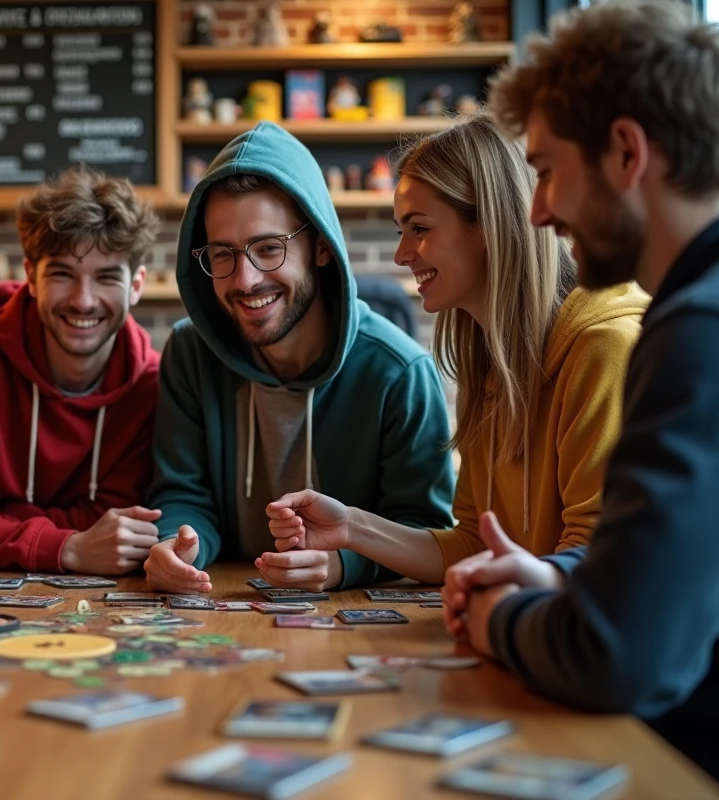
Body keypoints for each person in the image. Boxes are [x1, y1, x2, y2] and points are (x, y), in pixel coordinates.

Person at [439, 0, 719, 778]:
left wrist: (499, 617)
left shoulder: (694, 332)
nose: (536, 210)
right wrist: (563, 577)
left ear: (626, 152)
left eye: (546, 171)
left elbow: (615, 657)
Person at [264, 116, 647, 584]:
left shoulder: (606, 347)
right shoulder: (488, 360)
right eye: (401, 231)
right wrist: (351, 527)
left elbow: (598, 563)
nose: (401, 255)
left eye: (419, 228)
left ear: (491, 225)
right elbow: (471, 543)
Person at [143, 121, 455, 595]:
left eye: (269, 248)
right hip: (220, 599)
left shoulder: (400, 371)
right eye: (223, 254)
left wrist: (342, 565)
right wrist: (177, 545)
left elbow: (424, 527)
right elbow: (183, 493)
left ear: (322, 246)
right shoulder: (189, 353)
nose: (245, 280)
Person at [0, 166, 161, 574]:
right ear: (31, 277)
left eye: (106, 277)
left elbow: (119, 523)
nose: (83, 300)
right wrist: (68, 547)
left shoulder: (150, 383)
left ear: (136, 285)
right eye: (62, 274)